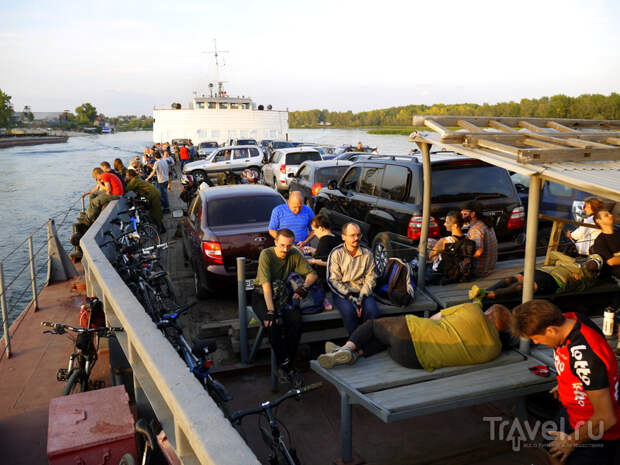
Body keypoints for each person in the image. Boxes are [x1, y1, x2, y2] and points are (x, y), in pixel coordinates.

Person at [511, 300, 620, 464]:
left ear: (551, 330)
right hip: (573, 412)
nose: (536, 343)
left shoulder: (585, 358)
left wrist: (570, 441)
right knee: (553, 450)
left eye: (535, 338)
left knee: (563, 452)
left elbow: (607, 417)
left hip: (597, 428)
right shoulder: (571, 319)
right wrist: (567, 381)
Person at [317, 302, 509, 370]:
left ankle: (345, 349)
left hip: (411, 333)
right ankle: (356, 354)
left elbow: (436, 317)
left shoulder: (474, 309)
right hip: (412, 361)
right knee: (387, 340)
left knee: (374, 326)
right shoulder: (495, 349)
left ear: (490, 314)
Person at [252, 229, 318, 388]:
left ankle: (284, 367)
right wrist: (270, 311)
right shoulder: (266, 255)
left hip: (282, 295)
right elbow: (266, 285)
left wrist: (305, 287)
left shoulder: (294, 253)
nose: (285, 249)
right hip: (263, 296)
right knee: (272, 324)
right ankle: (289, 367)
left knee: (296, 322)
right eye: (282, 245)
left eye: (289, 246)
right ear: (275, 242)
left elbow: (312, 274)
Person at [469, 251, 603, 301]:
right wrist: (552, 264)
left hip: (556, 281)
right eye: (592, 260)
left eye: (596, 264)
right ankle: (487, 291)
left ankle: (488, 296)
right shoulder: (572, 262)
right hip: (543, 271)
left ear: (596, 270)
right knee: (511, 279)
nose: (592, 263)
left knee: (523, 287)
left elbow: (582, 287)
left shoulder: (588, 279)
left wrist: (576, 281)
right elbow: (553, 253)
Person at [327, 222, 379, 335]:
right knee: (349, 313)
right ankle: (355, 345)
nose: (356, 238)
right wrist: (350, 297)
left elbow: (372, 277)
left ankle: (366, 342)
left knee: (372, 312)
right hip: (343, 293)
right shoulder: (336, 253)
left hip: (362, 290)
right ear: (343, 236)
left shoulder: (367, 253)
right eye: (352, 235)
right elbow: (333, 280)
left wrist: (362, 296)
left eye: (358, 235)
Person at [461, 200, 498, 277]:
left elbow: (478, 252)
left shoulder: (475, 229)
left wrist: (463, 257)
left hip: (480, 270)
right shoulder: (485, 223)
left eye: (464, 214)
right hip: (490, 266)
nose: (462, 216)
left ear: (473, 214)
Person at [125, 169, 165, 233]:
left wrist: (125, 181)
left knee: (155, 212)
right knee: (154, 212)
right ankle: (160, 228)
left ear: (131, 176)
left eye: (127, 176)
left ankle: (161, 229)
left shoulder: (134, 181)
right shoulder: (136, 178)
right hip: (153, 194)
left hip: (153, 195)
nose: (126, 177)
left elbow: (127, 189)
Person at [592, 210, 620, 280]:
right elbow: (611, 261)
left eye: (610, 214)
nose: (611, 215)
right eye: (606, 215)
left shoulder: (618, 232)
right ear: (598, 221)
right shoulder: (600, 241)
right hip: (615, 275)